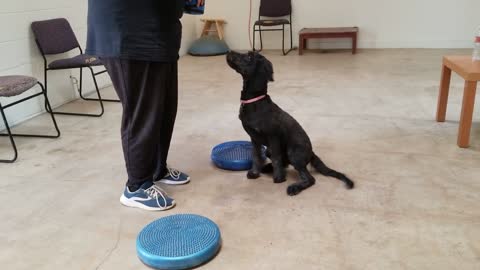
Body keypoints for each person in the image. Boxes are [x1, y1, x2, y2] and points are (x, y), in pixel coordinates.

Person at [86, 0, 203, 211]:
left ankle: (158, 168)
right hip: (131, 31)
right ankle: (136, 186)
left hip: (160, 31)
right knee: (143, 113)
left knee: (164, 109)